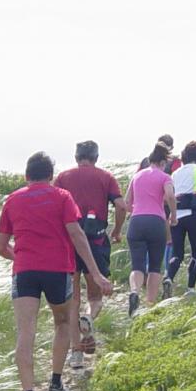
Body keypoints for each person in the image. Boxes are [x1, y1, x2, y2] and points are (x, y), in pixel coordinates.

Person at [0, 152, 114, 391]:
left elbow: (1, 247)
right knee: (62, 323)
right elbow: (76, 233)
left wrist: (23, 257)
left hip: (25, 271)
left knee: (25, 332)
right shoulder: (62, 197)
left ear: (27, 175)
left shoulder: (12, 200)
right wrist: (95, 274)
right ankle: (55, 385)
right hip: (58, 269)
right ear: (51, 175)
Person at [55, 140, 126, 368]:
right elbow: (122, 205)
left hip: (69, 242)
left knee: (73, 299)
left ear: (76, 157)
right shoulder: (106, 177)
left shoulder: (63, 178)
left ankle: (76, 354)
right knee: (95, 296)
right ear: (96, 157)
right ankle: (89, 318)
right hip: (96, 241)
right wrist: (116, 230)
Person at [120, 142, 177, 315]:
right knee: (155, 266)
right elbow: (170, 196)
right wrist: (173, 214)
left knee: (137, 265)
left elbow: (126, 202)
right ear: (163, 163)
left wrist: (135, 210)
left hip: (136, 222)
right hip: (156, 221)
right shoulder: (165, 177)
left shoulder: (137, 176)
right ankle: (150, 305)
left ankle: (134, 291)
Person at [165, 140, 196, 296]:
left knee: (177, 254)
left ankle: (168, 278)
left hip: (176, 215)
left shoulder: (176, 173)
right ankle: (191, 289)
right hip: (193, 213)